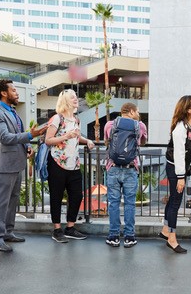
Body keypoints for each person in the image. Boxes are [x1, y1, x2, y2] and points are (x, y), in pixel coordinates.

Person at [0, 79, 46, 252]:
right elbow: (4, 137)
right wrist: (29, 135)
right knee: (0, 202)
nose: (17, 93)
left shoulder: (11, 111)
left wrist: (27, 146)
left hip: (15, 163)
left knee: (12, 201)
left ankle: (7, 232)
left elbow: (16, 134)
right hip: (3, 164)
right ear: (4, 93)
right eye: (13, 90)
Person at [44, 89, 95, 243]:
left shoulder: (76, 120)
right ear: (65, 101)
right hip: (57, 163)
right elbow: (48, 140)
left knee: (76, 195)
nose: (76, 99)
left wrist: (87, 141)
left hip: (73, 164)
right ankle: (57, 229)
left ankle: (70, 228)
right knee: (56, 196)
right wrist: (65, 136)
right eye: (72, 98)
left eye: (76, 97)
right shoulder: (56, 119)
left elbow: (76, 137)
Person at [159, 96, 191, 254]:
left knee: (173, 200)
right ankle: (172, 238)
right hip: (176, 169)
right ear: (188, 109)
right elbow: (179, 153)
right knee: (176, 202)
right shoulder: (180, 128)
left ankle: (165, 230)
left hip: (181, 168)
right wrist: (181, 177)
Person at [104, 102, 147, 248]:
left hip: (113, 167)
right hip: (130, 168)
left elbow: (107, 143)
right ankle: (129, 236)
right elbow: (142, 143)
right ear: (131, 111)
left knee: (113, 203)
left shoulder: (110, 125)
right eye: (137, 111)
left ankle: (113, 236)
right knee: (129, 203)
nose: (138, 114)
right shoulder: (139, 126)